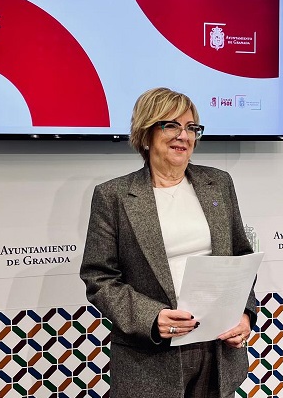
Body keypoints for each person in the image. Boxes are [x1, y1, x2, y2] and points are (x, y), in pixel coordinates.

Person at [80, 87, 257, 398]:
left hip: (217, 348)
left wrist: (244, 313)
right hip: (150, 356)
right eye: (171, 125)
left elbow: (241, 258)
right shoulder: (114, 196)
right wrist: (151, 318)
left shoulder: (218, 183)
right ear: (146, 134)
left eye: (191, 127)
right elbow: (99, 278)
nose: (183, 136)